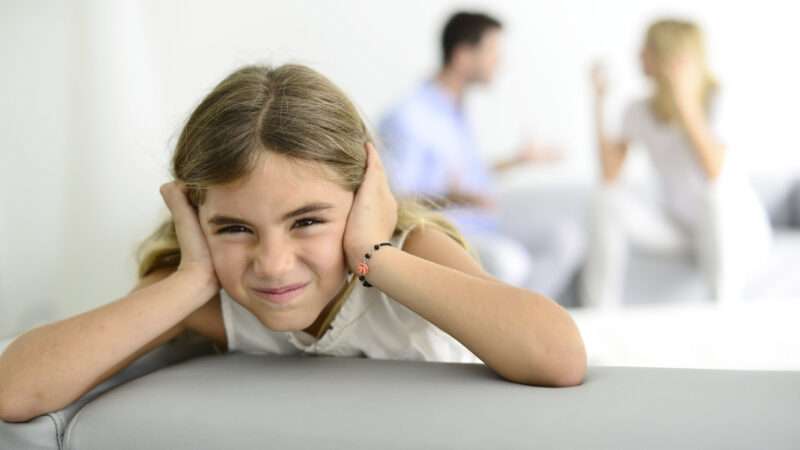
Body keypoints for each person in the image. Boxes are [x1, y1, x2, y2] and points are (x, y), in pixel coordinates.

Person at [0, 64, 586, 423]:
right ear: (195, 217)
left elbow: (558, 357)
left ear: (363, 197)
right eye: (234, 228)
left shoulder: (410, 252)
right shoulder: (207, 298)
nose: (272, 264)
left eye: (306, 221)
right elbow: (14, 390)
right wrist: (191, 280)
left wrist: (373, 255)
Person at [379, 11, 585, 300]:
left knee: (564, 237)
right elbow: (396, 199)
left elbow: (468, 174)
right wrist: (457, 198)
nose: (501, 63)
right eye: (493, 52)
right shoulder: (409, 117)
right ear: (463, 56)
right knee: (507, 260)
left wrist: (518, 160)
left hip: (483, 223)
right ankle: (506, 325)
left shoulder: (454, 110)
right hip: (445, 234)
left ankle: (521, 322)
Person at [584, 19, 772, 308]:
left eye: (646, 48)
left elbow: (714, 171)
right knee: (604, 201)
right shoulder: (638, 110)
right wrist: (599, 101)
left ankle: (723, 309)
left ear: (667, 54)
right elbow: (609, 176)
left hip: (735, 230)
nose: (638, 55)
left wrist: (684, 100)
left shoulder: (717, 99)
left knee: (714, 197)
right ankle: (598, 310)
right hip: (681, 229)